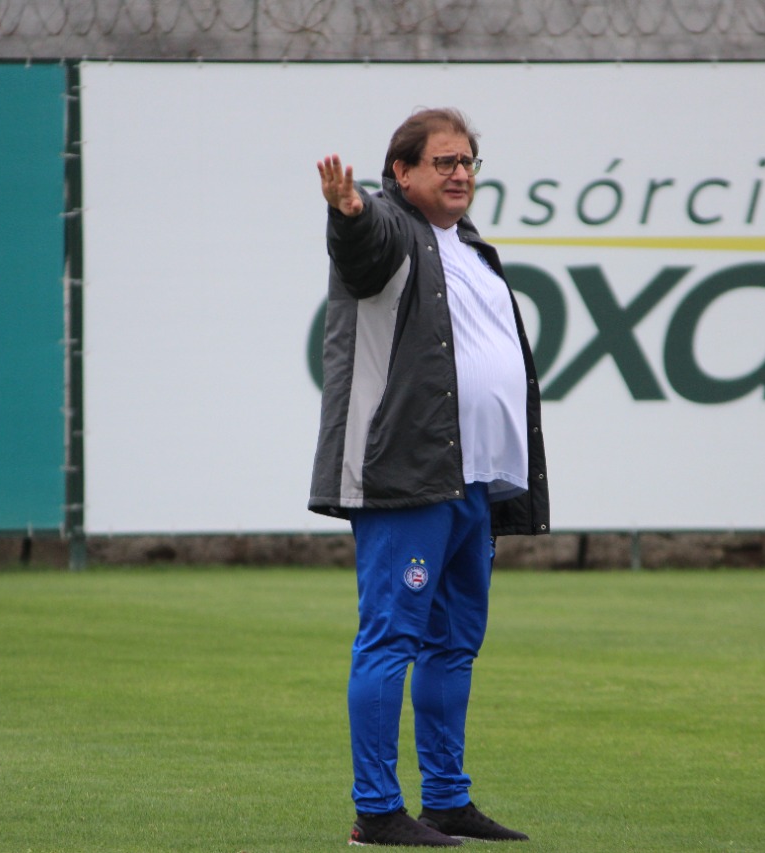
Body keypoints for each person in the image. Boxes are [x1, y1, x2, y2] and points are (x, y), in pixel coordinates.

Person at [309, 108, 550, 847]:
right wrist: (349, 211)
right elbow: (363, 245)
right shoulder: (391, 229)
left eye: (468, 161)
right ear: (403, 173)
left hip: (473, 480)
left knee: (453, 644)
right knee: (391, 638)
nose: (460, 173)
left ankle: (446, 798)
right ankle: (377, 810)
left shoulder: (472, 248)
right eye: (443, 162)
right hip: (406, 476)